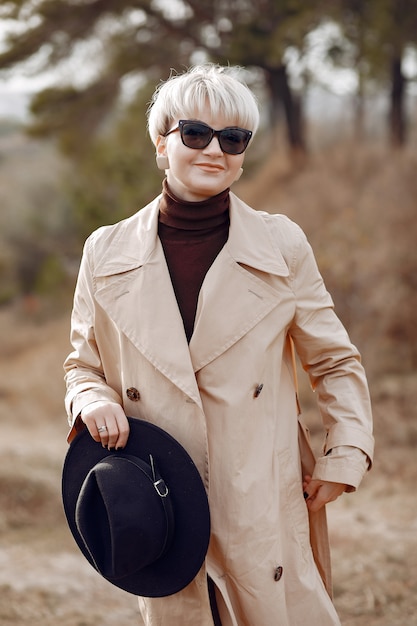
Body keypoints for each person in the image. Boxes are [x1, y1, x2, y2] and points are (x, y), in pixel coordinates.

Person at [64, 64, 374, 625]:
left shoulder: (281, 244)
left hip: (258, 492)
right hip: (161, 497)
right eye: (195, 134)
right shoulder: (104, 253)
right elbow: (83, 366)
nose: (214, 150)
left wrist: (346, 450)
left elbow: (334, 360)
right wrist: (93, 401)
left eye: (233, 139)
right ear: (162, 144)